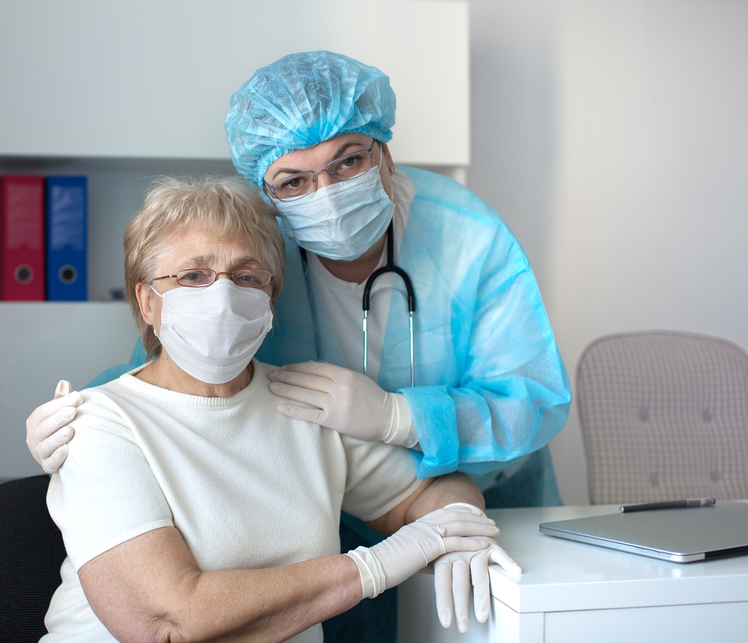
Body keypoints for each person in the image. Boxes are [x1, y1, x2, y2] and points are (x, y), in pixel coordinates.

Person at [28, 51, 571, 634]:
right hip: (334, 552)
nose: (326, 194)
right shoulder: (264, 234)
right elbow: (173, 380)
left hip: (480, 495)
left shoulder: (466, 238)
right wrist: (78, 422)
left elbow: (529, 398)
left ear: (385, 155)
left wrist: (404, 423)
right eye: (294, 180)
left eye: (349, 161)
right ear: (270, 195)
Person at [40, 176, 518, 642]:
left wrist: (458, 524)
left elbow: (430, 490)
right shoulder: (104, 425)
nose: (222, 297)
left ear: (270, 299)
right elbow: (168, 623)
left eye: (247, 276)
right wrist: (374, 566)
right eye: (193, 276)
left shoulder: (302, 400)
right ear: (147, 302)